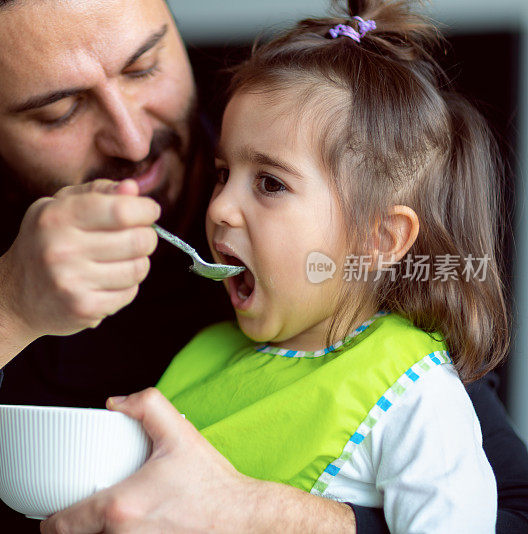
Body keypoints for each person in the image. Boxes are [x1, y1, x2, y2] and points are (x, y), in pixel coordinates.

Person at [0, 0, 525, 532]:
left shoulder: (313, 193)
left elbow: (504, 502)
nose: (132, 138)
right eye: (58, 110)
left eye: (144, 67)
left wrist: (263, 516)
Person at [113, 0, 505, 530]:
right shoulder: (202, 355)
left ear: (379, 238)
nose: (220, 207)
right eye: (223, 173)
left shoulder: (416, 397)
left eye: (270, 183)